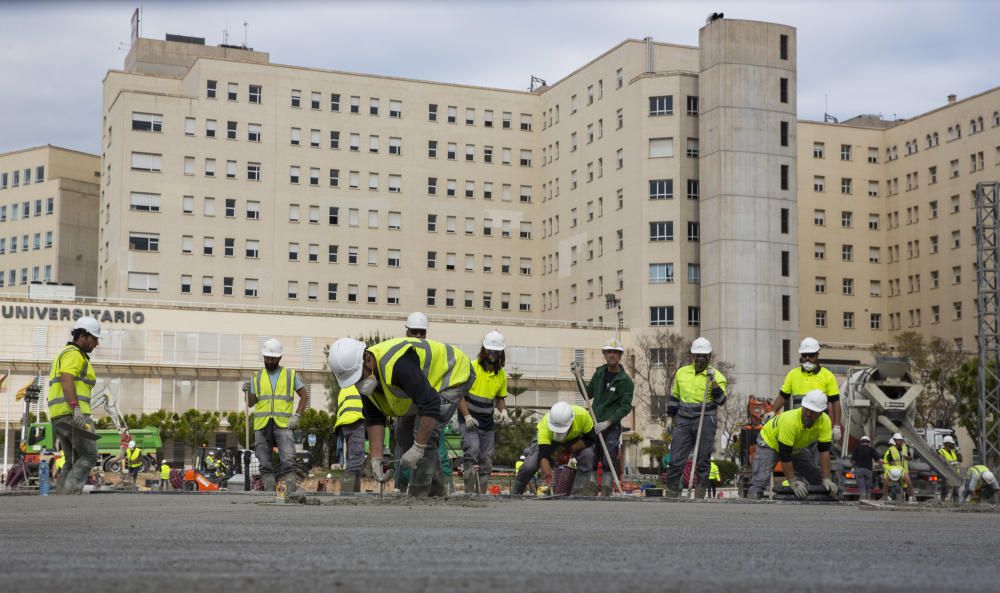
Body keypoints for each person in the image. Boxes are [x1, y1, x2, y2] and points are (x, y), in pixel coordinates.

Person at [327, 336, 473, 497]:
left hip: (453, 374)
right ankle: (437, 487)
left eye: (358, 377)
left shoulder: (398, 364)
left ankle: (420, 492)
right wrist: (376, 458)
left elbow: (430, 404)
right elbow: (374, 417)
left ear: (368, 359)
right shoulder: (368, 379)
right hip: (425, 389)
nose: (358, 384)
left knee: (424, 433)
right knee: (402, 431)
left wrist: (418, 447)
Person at [242, 338, 310, 493]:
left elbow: (304, 396)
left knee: (288, 459)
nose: (269, 361)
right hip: (262, 424)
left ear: (279, 358)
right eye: (267, 358)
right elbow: (251, 403)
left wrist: (297, 415)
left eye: (272, 358)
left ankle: (290, 492)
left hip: (283, 424)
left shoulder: (290, 375)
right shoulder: (256, 377)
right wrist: (247, 392)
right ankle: (269, 492)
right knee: (264, 462)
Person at [663, 337, 728, 498]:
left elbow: (721, 401)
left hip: (705, 419)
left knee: (702, 459)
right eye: (697, 355)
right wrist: (670, 417)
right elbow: (675, 397)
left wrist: (713, 381)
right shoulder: (682, 373)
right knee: (676, 458)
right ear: (692, 355)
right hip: (684, 420)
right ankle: (672, 492)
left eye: (703, 356)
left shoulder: (717, 376)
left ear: (709, 356)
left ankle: (699, 494)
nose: (700, 359)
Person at [746, 390, 839, 500]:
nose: (808, 414)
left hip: (795, 446)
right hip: (769, 442)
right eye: (806, 410)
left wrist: (826, 478)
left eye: (813, 412)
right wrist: (792, 481)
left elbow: (824, 451)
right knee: (759, 483)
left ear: (821, 413)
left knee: (817, 479)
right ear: (803, 406)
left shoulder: (825, 422)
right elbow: (785, 454)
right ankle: (752, 500)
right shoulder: (790, 421)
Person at [47, 316, 101, 495]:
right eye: (94, 338)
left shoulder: (64, 353)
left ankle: (62, 496)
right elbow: (66, 378)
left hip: (59, 416)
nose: (96, 343)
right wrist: (75, 407)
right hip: (74, 415)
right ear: (83, 336)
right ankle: (69, 497)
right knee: (89, 455)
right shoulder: (74, 354)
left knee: (72, 460)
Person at [457, 330, 511, 494]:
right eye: (490, 351)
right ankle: (469, 492)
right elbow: (459, 395)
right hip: (469, 419)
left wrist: (503, 412)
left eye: (496, 352)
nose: (493, 354)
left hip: (487, 421)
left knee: (486, 459)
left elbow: (500, 398)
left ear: (501, 353)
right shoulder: (471, 368)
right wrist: (466, 416)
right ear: (484, 350)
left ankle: (481, 494)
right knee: (472, 451)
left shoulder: (501, 375)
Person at [511, 402, 597, 495]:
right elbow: (543, 456)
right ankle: (516, 492)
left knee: (587, 455)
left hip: (574, 438)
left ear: (571, 422)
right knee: (530, 465)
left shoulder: (583, 416)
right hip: (549, 439)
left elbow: (590, 439)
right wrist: (548, 475)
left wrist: (570, 450)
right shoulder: (545, 426)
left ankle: (579, 492)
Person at [585, 338, 634, 493]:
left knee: (609, 456)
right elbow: (588, 393)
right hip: (593, 422)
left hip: (611, 426)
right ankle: (591, 485)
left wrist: (608, 422)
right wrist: (577, 378)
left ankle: (606, 485)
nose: (612, 355)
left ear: (620, 356)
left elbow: (625, 407)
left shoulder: (625, 381)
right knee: (592, 455)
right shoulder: (599, 373)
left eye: (615, 352)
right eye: (609, 352)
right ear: (604, 354)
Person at [773, 337, 842, 445]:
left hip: (818, 426)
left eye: (811, 355)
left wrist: (837, 425)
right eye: (804, 355)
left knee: (816, 457)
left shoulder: (827, 376)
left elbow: (835, 401)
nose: (807, 358)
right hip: (798, 425)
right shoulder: (793, 374)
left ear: (817, 354)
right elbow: (783, 396)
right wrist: (772, 411)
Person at [334, 381, 366, 493]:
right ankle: (348, 491)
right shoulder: (361, 383)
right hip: (355, 420)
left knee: (352, 458)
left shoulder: (345, 386)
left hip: (345, 423)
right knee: (356, 459)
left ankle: (353, 492)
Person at [883, 433, 914, 502]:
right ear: (894, 441)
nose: (900, 441)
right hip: (894, 470)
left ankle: (910, 497)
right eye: (898, 440)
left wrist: (905, 456)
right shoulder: (891, 449)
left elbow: (910, 458)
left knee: (907, 484)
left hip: (903, 470)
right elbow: (889, 461)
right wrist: (893, 464)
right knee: (891, 484)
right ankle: (887, 497)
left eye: (901, 440)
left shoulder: (905, 448)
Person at [850, 435, 878, 500]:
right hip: (869, 470)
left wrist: (853, 467)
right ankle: (868, 499)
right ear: (869, 442)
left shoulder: (856, 449)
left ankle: (863, 498)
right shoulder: (871, 449)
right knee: (868, 486)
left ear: (861, 442)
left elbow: (853, 461)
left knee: (861, 485)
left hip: (859, 470)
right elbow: (877, 459)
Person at [937, 435, 962, 501]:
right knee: (945, 489)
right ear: (947, 443)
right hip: (947, 474)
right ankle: (942, 502)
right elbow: (941, 462)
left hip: (955, 474)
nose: (953, 444)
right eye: (952, 443)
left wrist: (958, 452)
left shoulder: (953, 451)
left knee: (956, 491)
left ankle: (956, 504)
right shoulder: (941, 452)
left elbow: (960, 460)